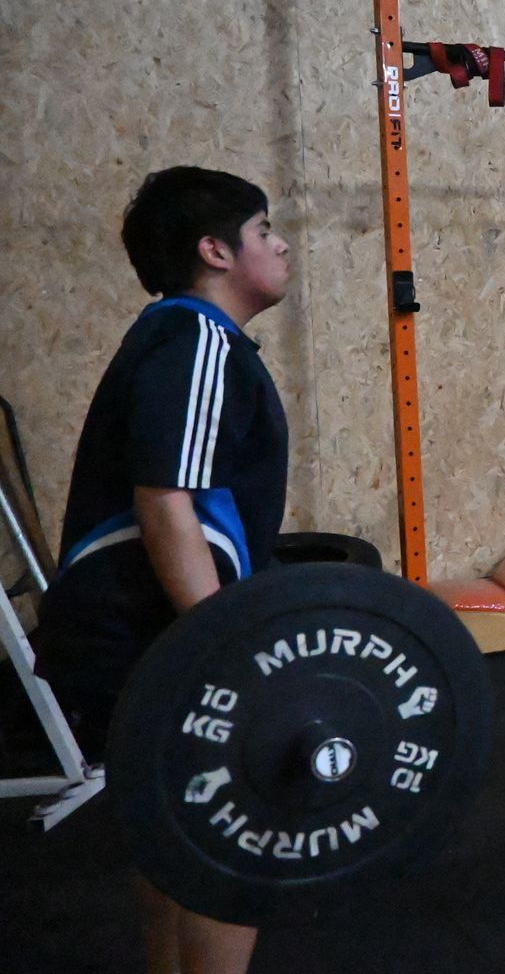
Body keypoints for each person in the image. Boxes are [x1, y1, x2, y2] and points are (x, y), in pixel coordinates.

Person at [33, 166, 292, 973]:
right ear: (215, 251)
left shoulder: (176, 337)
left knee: (179, 835)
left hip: (124, 632)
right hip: (146, 632)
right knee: (233, 838)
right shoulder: (197, 338)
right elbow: (167, 502)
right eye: (261, 230)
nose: (279, 244)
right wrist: (225, 641)